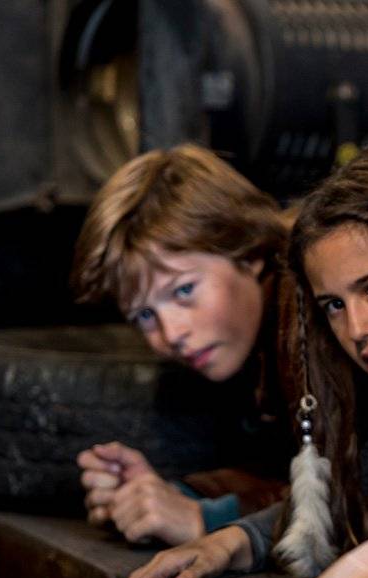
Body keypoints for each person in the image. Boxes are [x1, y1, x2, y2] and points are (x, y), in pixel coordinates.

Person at [124, 139, 368, 578]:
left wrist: (208, 517)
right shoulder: (328, 351)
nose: (357, 328)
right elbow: (346, 493)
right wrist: (233, 537)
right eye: (334, 305)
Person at [70, 144, 295, 547]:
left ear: (247, 250)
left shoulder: (314, 308)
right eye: (144, 315)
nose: (171, 334)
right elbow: (281, 472)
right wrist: (169, 497)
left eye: (184, 290)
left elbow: (365, 499)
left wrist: (205, 519)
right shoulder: (248, 334)